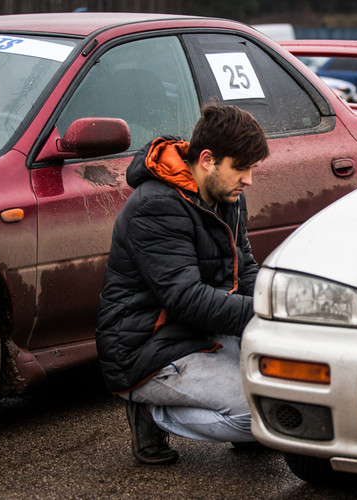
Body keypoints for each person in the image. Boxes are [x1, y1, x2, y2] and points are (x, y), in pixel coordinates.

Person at [96, 102, 270, 464]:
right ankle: (150, 410)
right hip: (147, 348)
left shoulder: (227, 195)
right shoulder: (156, 206)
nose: (248, 179)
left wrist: (282, 301)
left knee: (288, 390)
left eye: (252, 169)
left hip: (198, 331)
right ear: (207, 159)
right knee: (264, 416)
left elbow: (246, 269)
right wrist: (263, 315)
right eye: (241, 168)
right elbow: (186, 299)